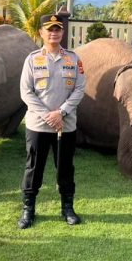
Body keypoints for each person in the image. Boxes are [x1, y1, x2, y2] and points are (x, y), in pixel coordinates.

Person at [17, 14, 86, 229]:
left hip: (65, 125)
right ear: (41, 32)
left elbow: (79, 89)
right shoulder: (32, 59)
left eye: (57, 29)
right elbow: (26, 92)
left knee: (65, 168)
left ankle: (67, 208)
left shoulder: (73, 59)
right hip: (38, 125)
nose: (54, 33)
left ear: (62, 32)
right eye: (49, 29)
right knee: (33, 167)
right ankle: (28, 209)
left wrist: (61, 113)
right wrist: (48, 115)